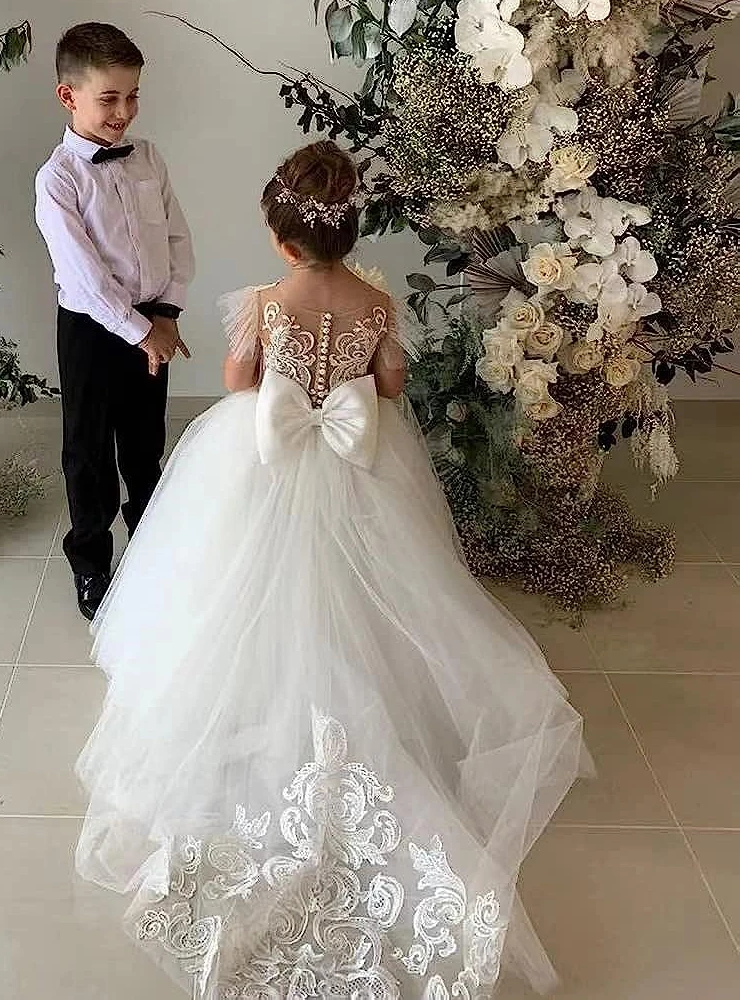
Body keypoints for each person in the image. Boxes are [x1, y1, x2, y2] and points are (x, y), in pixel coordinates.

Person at [75, 141, 591, 998]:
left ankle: (254, 702)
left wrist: (282, 379)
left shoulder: (264, 303)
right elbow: (390, 388)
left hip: (267, 466)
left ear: (282, 240)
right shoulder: (376, 301)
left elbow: (243, 383)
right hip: (360, 469)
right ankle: (366, 698)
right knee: (377, 588)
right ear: (353, 233)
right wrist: (348, 379)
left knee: (240, 590)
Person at [34, 22, 195, 620]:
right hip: (92, 331)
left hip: (154, 321)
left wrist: (168, 312)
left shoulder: (149, 157)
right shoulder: (57, 180)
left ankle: (151, 550)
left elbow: (178, 237)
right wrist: (141, 329)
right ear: (68, 96)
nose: (124, 111)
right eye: (109, 98)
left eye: (132, 96)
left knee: (144, 442)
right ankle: (91, 562)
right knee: (89, 451)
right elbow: (85, 279)